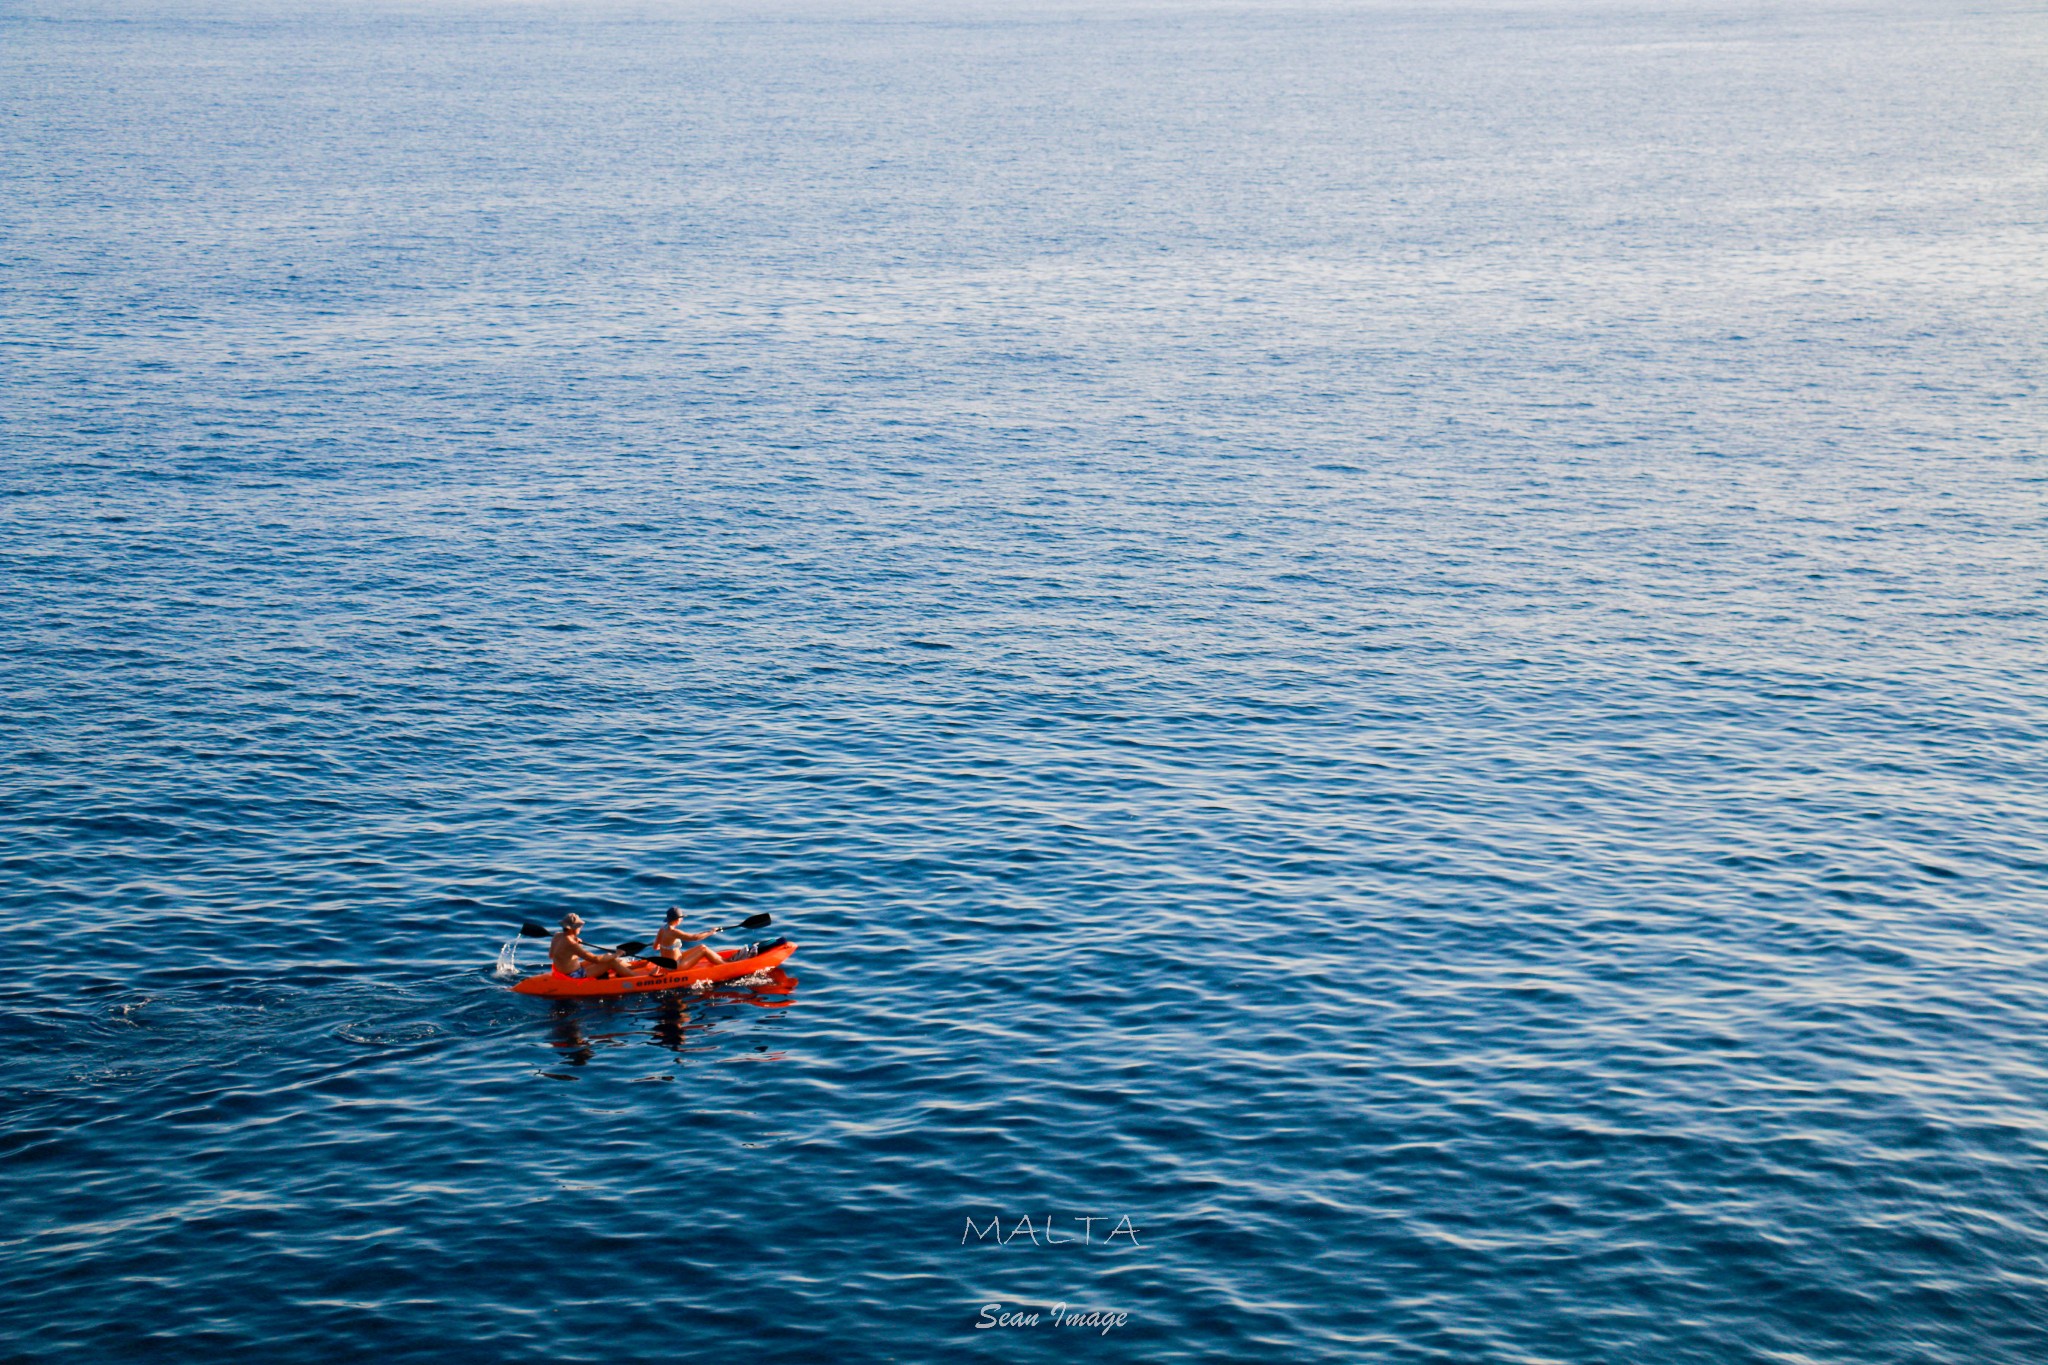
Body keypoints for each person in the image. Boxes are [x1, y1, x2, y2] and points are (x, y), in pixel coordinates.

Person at [549, 913, 650, 980]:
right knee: (611, 961)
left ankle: (632, 967)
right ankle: (637, 977)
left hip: (562, 971)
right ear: (572, 928)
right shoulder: (571, 943)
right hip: (574, 975)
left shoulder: (557, 935)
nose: (580, 928)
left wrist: (571, 946)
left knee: (608, 956)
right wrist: (617, 954)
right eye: (579, 926)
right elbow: (595, 959)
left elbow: (551, 955)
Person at [647, 907, 727, 972]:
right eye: (681, 918)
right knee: (704, 950)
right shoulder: (674, 932)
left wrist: (665, 945)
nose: (682, 920)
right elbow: (694, 937)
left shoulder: (662, 929)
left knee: (702, 946)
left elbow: (655, 947)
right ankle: (726, 965)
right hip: (676, 966)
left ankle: (724, 960)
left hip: (668, 963)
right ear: (677, 920)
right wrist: (711, 932)